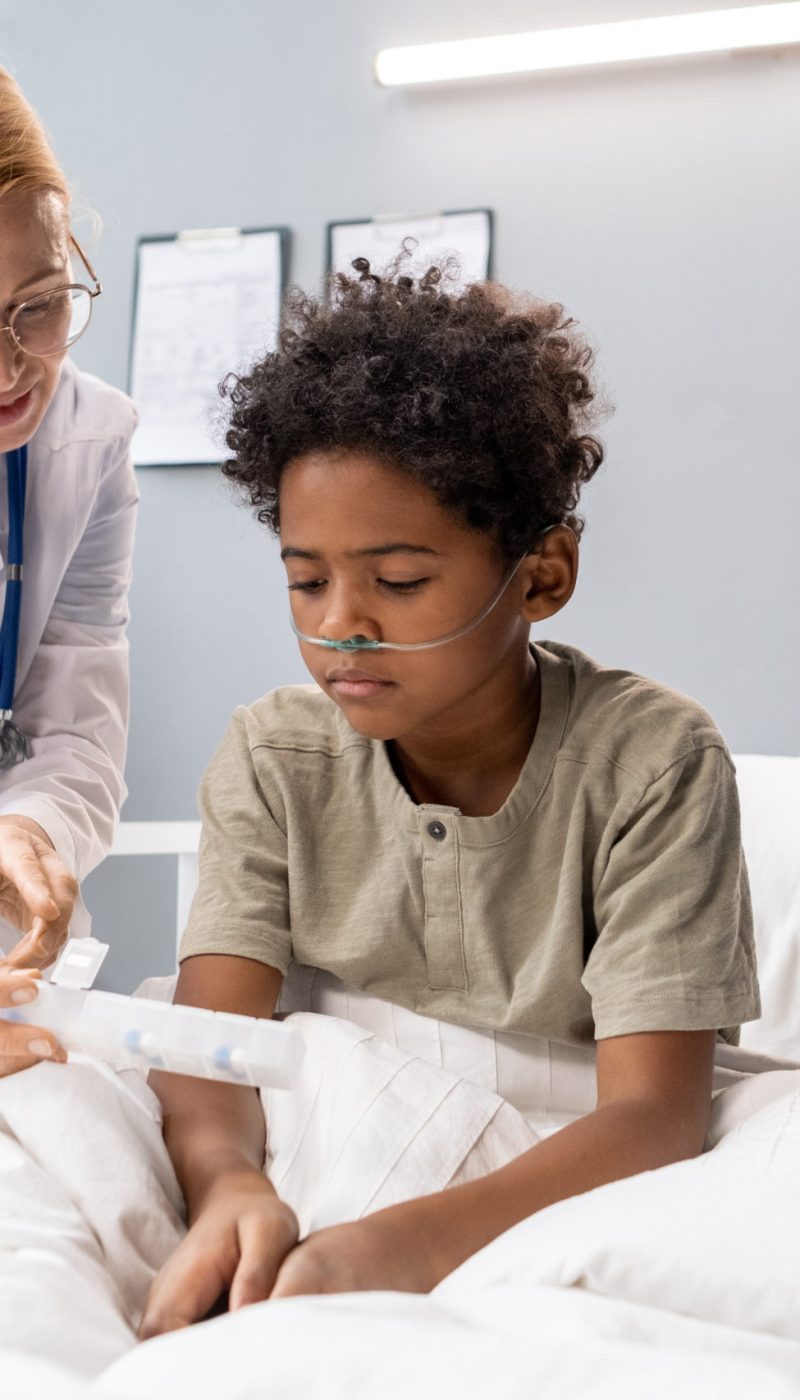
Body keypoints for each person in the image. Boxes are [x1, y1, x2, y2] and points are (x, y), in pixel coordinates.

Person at [140, 258, 758, 1336]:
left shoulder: (651, 760)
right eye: (305, 578)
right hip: (324, 1112)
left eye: (399, 580)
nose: (342, 624)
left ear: (540, 573)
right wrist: (229, 1183)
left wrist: (404, 1241)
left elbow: (654, 1114)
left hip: (565, 1149)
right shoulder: (275, 753)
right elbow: (209, 1044)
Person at [0, 68, 138, 1075]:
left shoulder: (89, 444)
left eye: (38, 307)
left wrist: (27, 827)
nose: (13, 368)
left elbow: (77, 716)